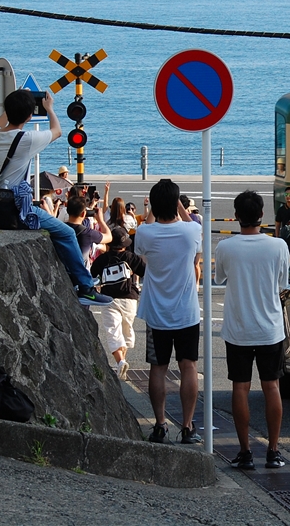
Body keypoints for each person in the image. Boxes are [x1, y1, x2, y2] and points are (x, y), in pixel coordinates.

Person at [0, 89, 112, 307]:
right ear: (29, 116)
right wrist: (49, 108)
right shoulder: (26, 139)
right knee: (67, 233)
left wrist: (16, 102)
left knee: (61, 231)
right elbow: (57, 131)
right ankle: (85, 287)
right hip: (19, 208)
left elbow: (1, 122)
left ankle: (81, 280)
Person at [216, 190, 290, 471]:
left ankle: (245, 452)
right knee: (272, 386)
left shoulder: (226, 247)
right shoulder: (278, 246)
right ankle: (273, 451)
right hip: (270, 328)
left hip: (238, 327)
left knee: (240, 387)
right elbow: (283, 282)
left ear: (236, 216)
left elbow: (220, 277)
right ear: (261, 215)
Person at [134, 179, 204, 445]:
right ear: (176, 203)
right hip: (186, 312)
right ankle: (187, 426)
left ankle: (160, 424)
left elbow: (146, 233)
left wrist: (155, 208)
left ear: (154, 204)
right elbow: (190, 223)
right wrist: (179, 206)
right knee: (188, 367)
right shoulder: (190, 231)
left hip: (156, 313)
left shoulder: (145, 233)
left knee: (158, 368)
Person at [91, 227, 147, 380]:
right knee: (125, 330)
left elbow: (91, 275)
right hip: (129, 298)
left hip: (109, 298)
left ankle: (120, 362)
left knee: (113, 331)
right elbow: (145, 272)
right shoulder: (130, 257)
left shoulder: (103, 259)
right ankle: (121, 363)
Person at [66, 197, 113, 266]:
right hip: (80, 269)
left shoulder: (60, 228)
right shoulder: (87, 233)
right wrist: (101, 221)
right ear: (83, 214)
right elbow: (109, 237)